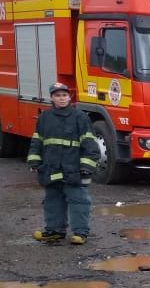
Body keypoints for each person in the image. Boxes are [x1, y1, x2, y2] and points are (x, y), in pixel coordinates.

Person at [26, 82, 100, 245]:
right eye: (57, 95)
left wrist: (87, 166)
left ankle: (80, 233)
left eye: (64, 95)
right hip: (51, 167)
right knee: (52, 200)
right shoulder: (45, 117)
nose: (61, 98)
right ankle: (54, 231)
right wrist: (34, 160)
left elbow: (90, 144)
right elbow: (37, 141)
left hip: (73, 168)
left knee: (78, 200)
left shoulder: (80, 117)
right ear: (52, 98)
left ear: (69, 97)